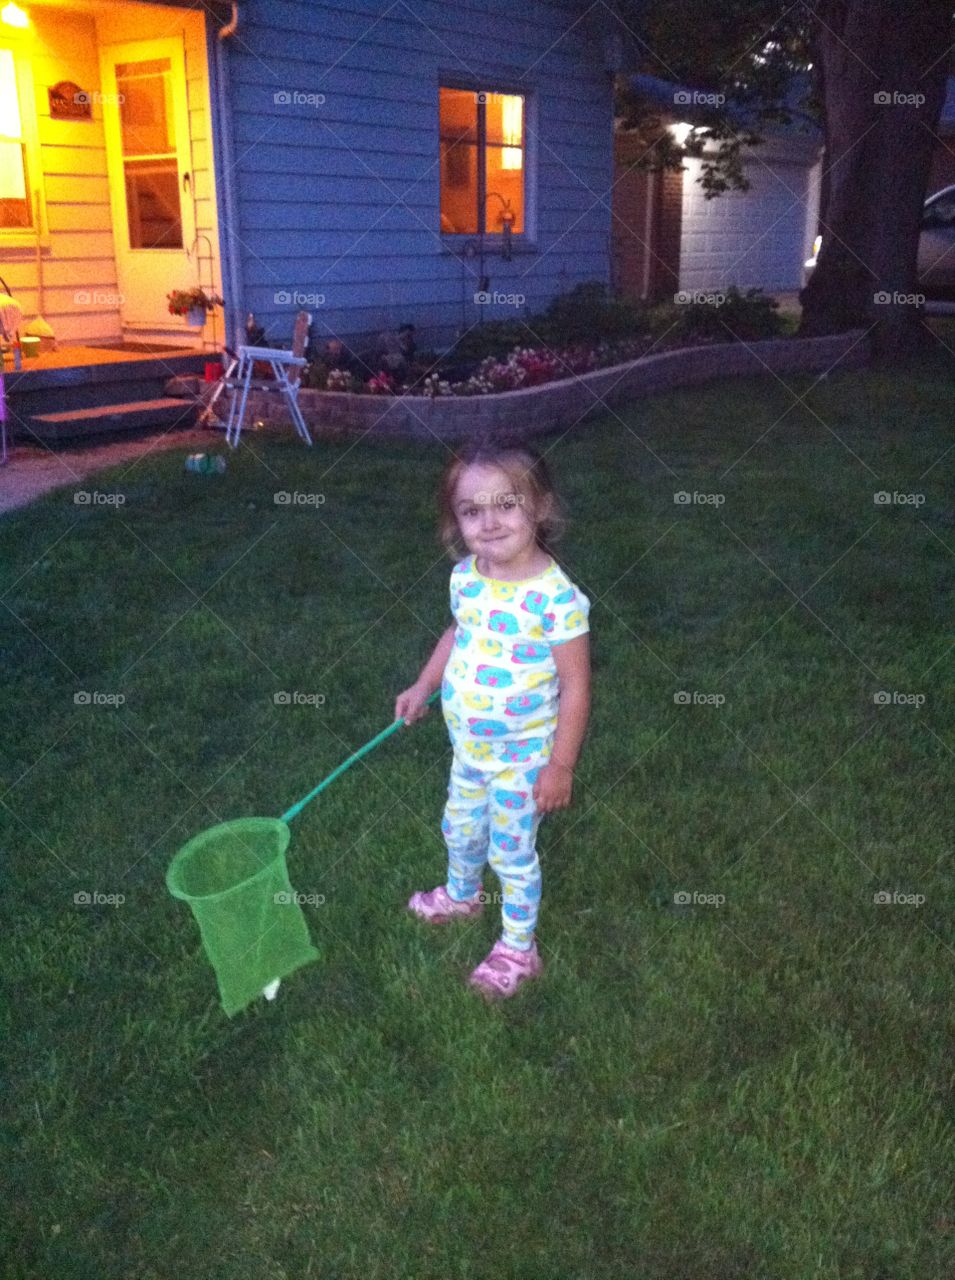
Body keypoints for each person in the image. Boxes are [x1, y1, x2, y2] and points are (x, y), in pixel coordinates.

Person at [394, 439, 591, 1000]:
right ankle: (462, 896)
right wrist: (424, 685)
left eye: (506, 504)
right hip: (470, 751)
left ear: (540, 506)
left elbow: (577, 686)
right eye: (471, 510)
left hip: (523, 761)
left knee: (511, 853)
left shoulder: (556, 599)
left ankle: (519, 948)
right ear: (456, 521)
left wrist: (560, 766)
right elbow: (458, 634)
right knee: (459, 828)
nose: (489, 522)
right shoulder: (466, 577)